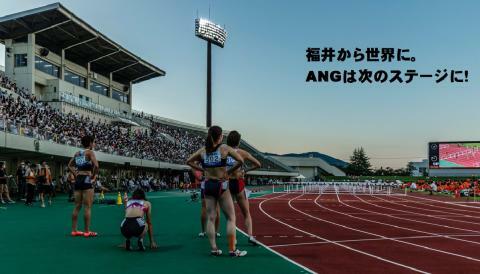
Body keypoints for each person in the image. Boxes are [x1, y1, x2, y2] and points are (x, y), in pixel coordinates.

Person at [187, 125, 246, 257]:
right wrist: (229, 171)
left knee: (211, 218)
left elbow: (188, 161)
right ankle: (232, 250)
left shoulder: (203, 151)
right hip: (221, 185)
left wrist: (202, 170)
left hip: (208, 185)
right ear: (220, 137)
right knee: (231, 218)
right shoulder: (224, 148)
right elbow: (240, 160)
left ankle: (214, 249)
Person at [226, 131, 261, 245]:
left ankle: (233, 239)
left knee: (231, 216)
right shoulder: (242, 153)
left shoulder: (223, 151)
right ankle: (250, 236)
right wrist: (245, 170)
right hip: (238, 183)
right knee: (246, 213)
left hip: (227, 183)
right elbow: (258, 164)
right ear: (238, 142)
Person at [68, 135, 99, 237]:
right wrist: (93, 176)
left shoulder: (77, 153)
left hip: (78, 179)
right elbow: (97, 166)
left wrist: (75, 174)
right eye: (93, 142)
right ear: (90, 143)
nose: (94, 144)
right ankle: (86, 231)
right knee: (87, 207)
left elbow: (69, 165)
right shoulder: (90, 152)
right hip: (86, 178)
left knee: (77, 206)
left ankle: (74, 230)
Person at [196, 169, 221, 238]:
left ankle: (203, 231)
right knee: (217, 208)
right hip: (217, 184)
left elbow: (199, 177)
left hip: (206, 184)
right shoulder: (219, 160)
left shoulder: (204, 159)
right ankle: (216, 232)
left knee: (204, 208)